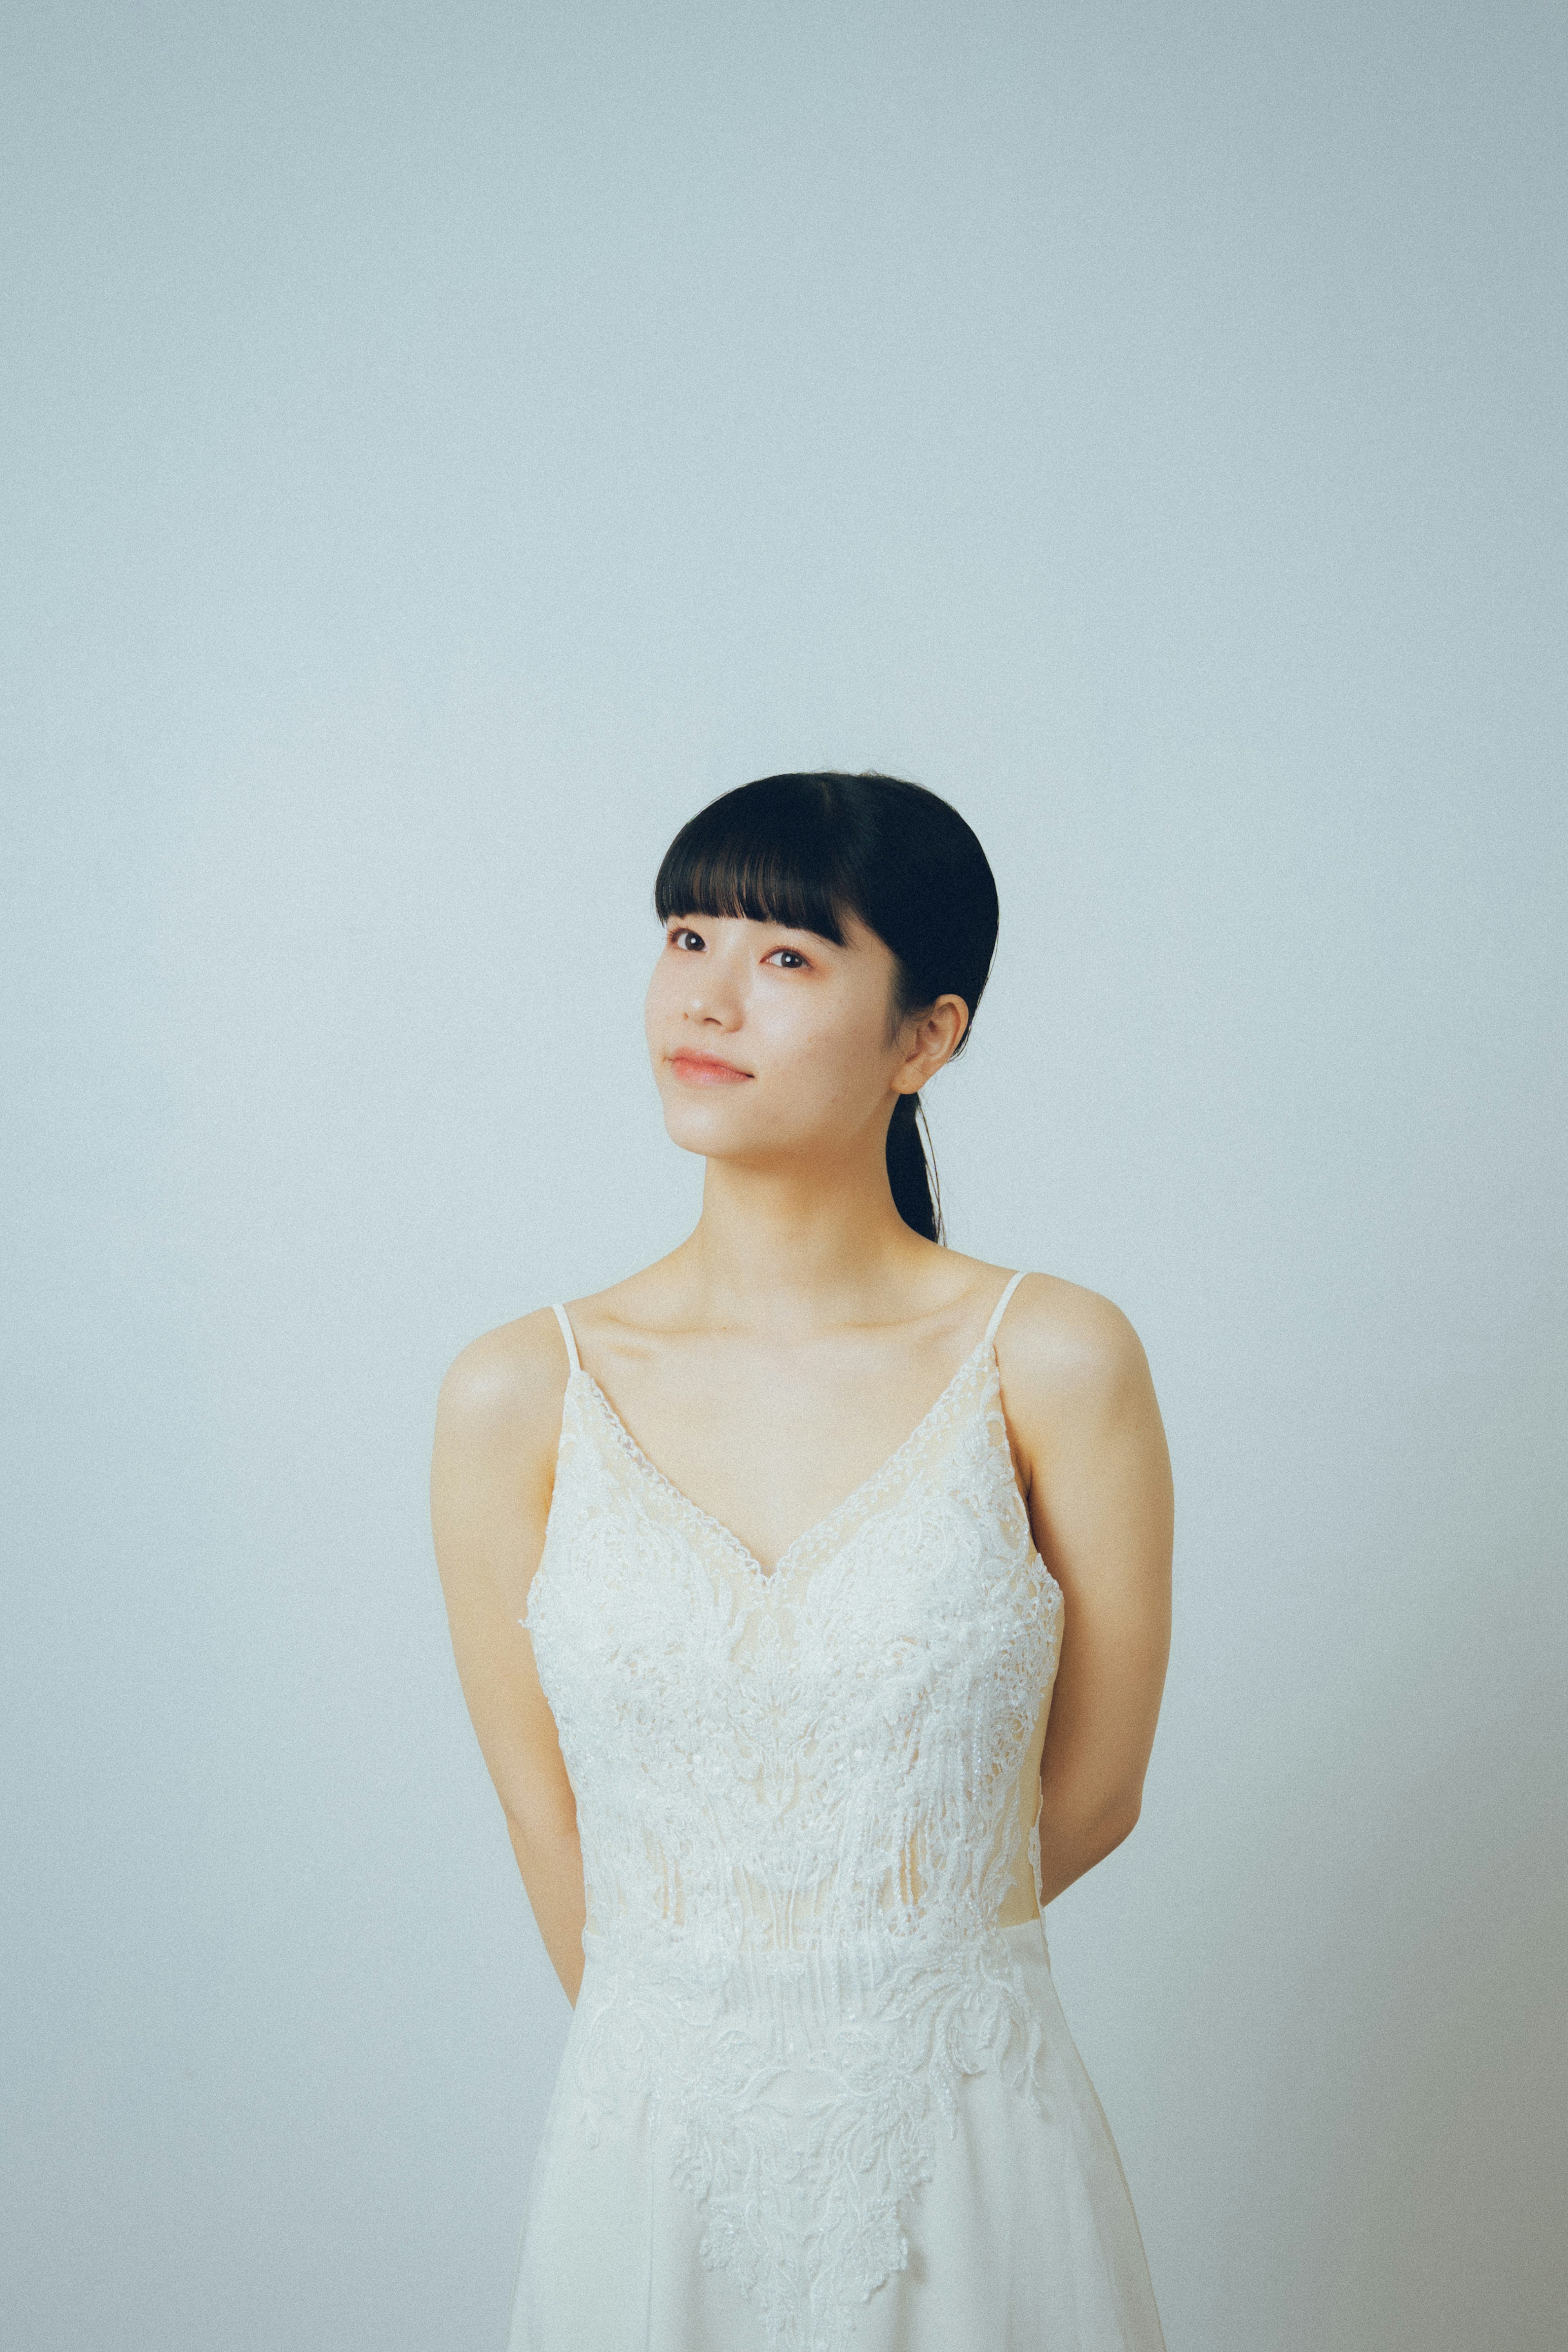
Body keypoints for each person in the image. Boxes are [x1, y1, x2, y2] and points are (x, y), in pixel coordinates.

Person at [430, 772, 1174, 2352]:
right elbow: (543, 1810)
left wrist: (888, 2011)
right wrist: (704, 2066)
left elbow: (1100, 1790)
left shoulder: (1052, 1357)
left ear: (930, 1036)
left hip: (978, 2163)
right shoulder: (520, 1392)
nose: (707, 993)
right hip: (650, 2168)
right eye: (688, 933)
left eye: (786, 956)